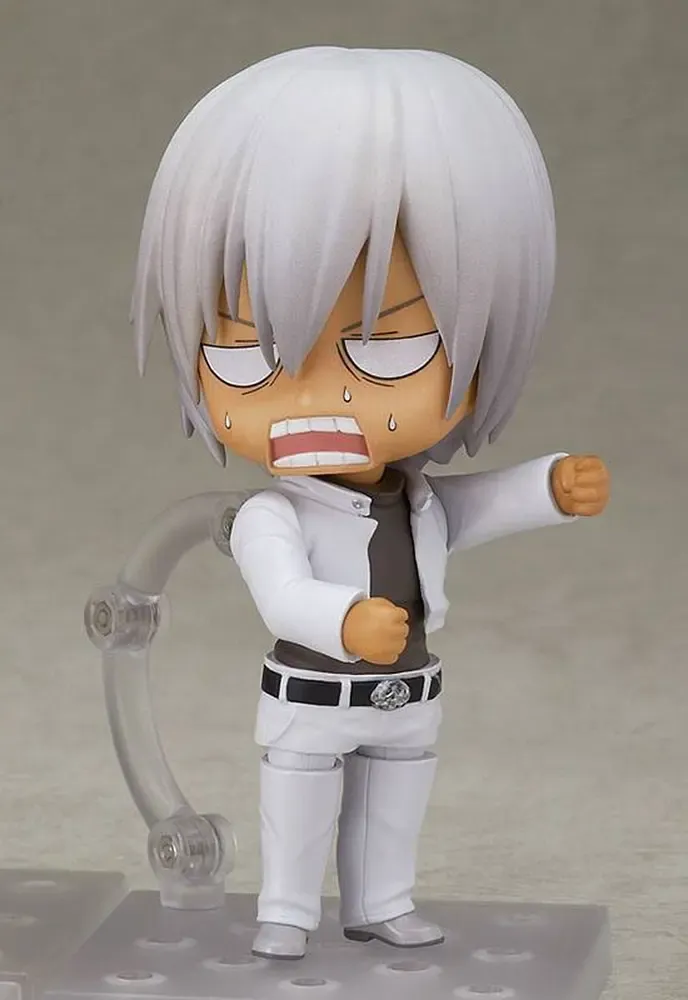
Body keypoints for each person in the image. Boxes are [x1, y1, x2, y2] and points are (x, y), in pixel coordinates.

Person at [130, 46, 610, 960]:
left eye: (387, 351)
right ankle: (286, 910)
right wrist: (344, 620)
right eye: (246, 357)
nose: (316, 400)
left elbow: (467, 511)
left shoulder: (415, 501)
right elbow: (282, 596)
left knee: (396, 799)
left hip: (406, 693)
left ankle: (383, 902)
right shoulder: (273, 516)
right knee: (299, 803)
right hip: (312, 696)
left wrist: (546, 487)